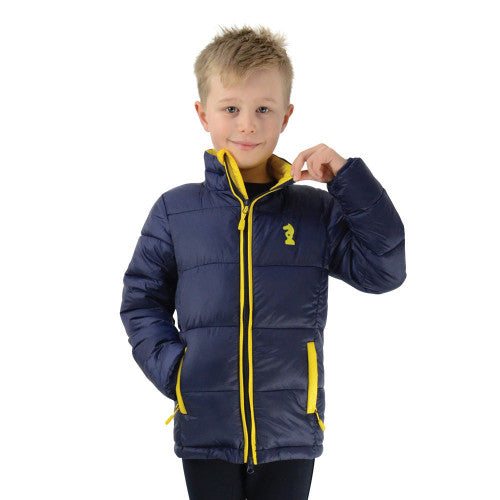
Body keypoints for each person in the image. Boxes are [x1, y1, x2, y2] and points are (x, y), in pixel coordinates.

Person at [120, 24, 406, 500]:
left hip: (290, 427)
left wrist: (348, 182)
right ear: (203, 113)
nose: (248, 125)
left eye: (263, 109)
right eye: (231, 108)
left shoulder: (314, 211)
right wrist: (177, 373)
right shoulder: (175, 210)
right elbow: (141, 302)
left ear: (286, 116)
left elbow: (385, 270)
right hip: (207, 425)